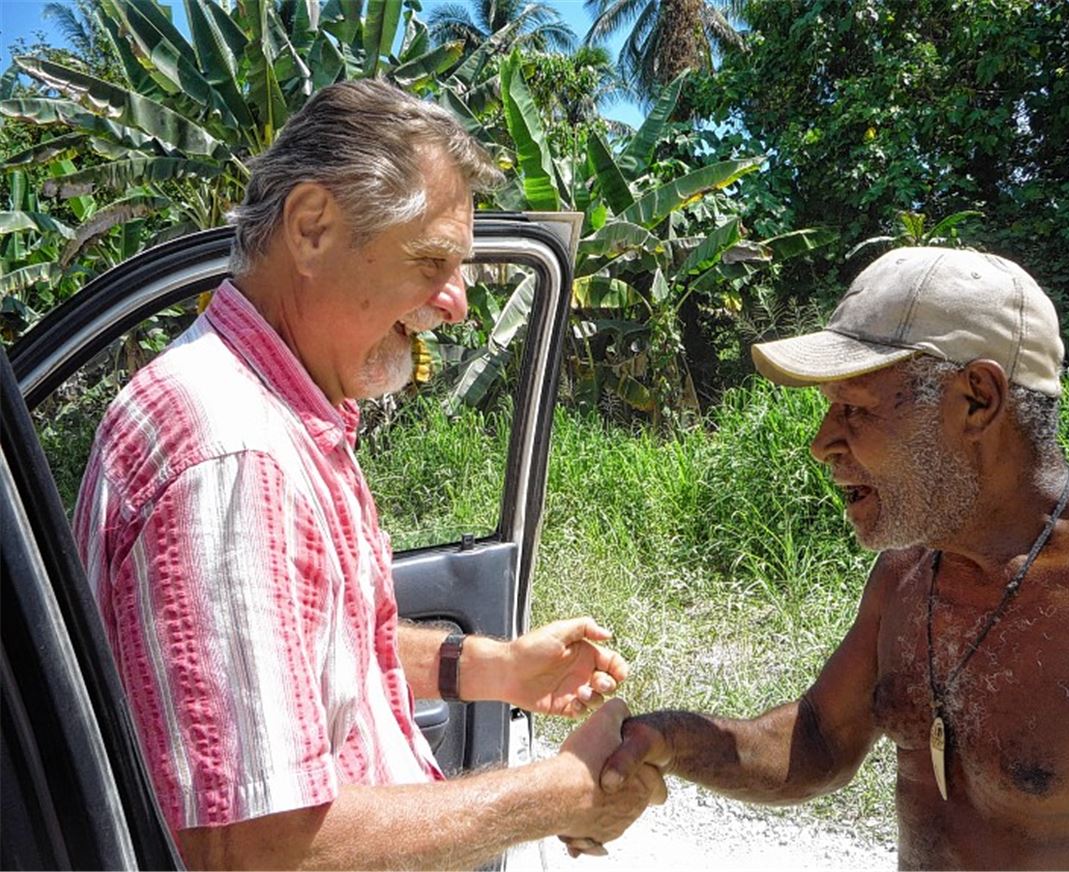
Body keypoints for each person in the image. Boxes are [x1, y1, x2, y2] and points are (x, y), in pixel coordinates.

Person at [73, 78, 665, 870]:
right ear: (313, 228)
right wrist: (558, 792)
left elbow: (304, 641)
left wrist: (491, 666)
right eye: (431, 259)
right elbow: (259, 850)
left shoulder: (268, 410)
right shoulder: (236, 458)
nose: (455, 303)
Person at [594, 247, 1069, 870]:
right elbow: (822, 740)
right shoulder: (910, 569)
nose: (821, 442)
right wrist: (665, 741)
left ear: (978, 399)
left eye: (854, 408)